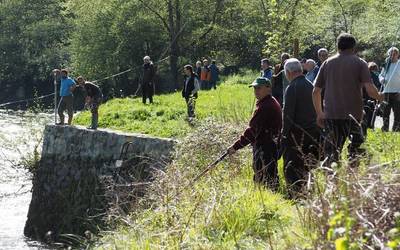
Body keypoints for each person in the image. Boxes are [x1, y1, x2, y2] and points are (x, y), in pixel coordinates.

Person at [313, 33, 384, 166]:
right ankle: (352, 181)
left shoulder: (327, 63)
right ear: (353, 47)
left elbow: (315, 91)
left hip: (331, 115)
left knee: (331, 155)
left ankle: (331, 183)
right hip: (354, 116)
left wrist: (319, 113)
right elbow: (370, 89)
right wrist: (382, 97)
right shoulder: (360, 63)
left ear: (338, 46)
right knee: (355, 153)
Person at [228, 77, 282, 191]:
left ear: (268, 88)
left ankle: (267, 200)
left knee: (263, 178)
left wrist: (235, 147)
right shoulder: (268, 102)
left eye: (259, 88)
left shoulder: (266, 106)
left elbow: (253, 131)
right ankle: (271, 198)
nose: (256, 91)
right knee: (268, 176)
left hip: (265, 147)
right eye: (254, 88)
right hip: (269, 145)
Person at [281, 58, 320, 197]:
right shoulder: (311, 85)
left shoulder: (292, 88)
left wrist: (283, 134)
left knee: (292, 166)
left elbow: (288, 115)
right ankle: (308, 193)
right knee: (308, 166)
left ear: (288, 72)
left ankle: (295, 195)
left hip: (296, 135)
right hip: (313, 133)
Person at [379, 47, 400, 132]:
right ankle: (385, 129)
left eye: (394, 54)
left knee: (397, 113)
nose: (392, 56)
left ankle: (396, 130)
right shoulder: (386, 64)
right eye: (390, 54)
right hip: (387, 91)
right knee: (385, 112)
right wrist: (381, 79)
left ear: (397, 55)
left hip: (397, 92)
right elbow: (381, 75)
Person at [363, 62, 382, 130]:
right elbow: (378, 84)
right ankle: (370, 126)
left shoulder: (366, 74)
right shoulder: (373, 75)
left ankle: (368, 126)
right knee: (371, 111)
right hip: (371, 95)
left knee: (369, 112)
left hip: (367, 96)